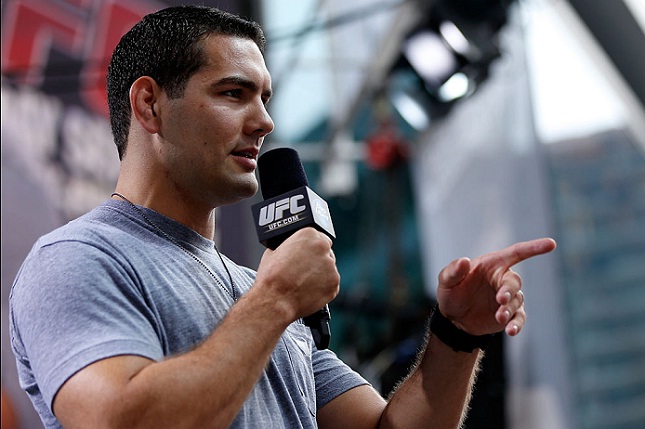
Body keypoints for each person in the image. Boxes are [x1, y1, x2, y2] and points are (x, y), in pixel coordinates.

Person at [9, 5, 556, 429]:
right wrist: (275, 300)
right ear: (150, 104)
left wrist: (457, 334)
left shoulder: (260, 290)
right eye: (233, 93)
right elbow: (121, 421)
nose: (264, 121)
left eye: (265, 98)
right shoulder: (77, 260)